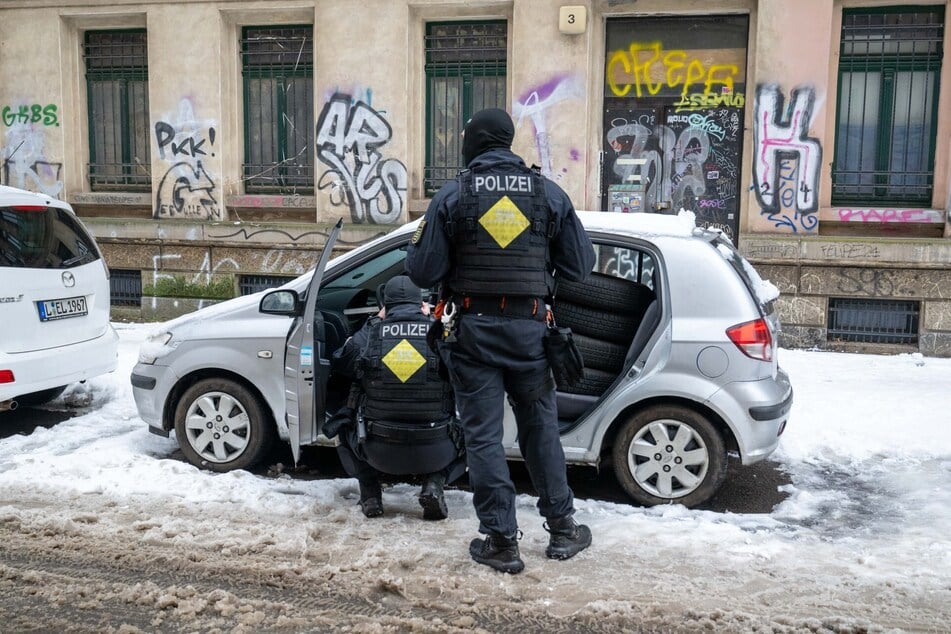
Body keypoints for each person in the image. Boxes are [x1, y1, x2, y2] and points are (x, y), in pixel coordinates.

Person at [405, 108, 596, 574]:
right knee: (540, 430)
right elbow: (581, 266)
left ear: (474, 141)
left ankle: (501, 540)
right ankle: (564, 529)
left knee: (485, 438)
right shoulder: (546, 193)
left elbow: (423, 271)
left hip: (474, 335)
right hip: (531, 333)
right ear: (508, 142)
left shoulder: (454, 195)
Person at [327, 275, 464, 521]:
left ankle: (370, 497)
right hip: (437, 448)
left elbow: (341, 363)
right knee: (476, 432)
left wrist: (373, 323)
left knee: (342, 422)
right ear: (422, 304)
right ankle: (435, 483)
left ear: (385, 306)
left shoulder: (371, 332)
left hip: (377, 449)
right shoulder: (440, 331)